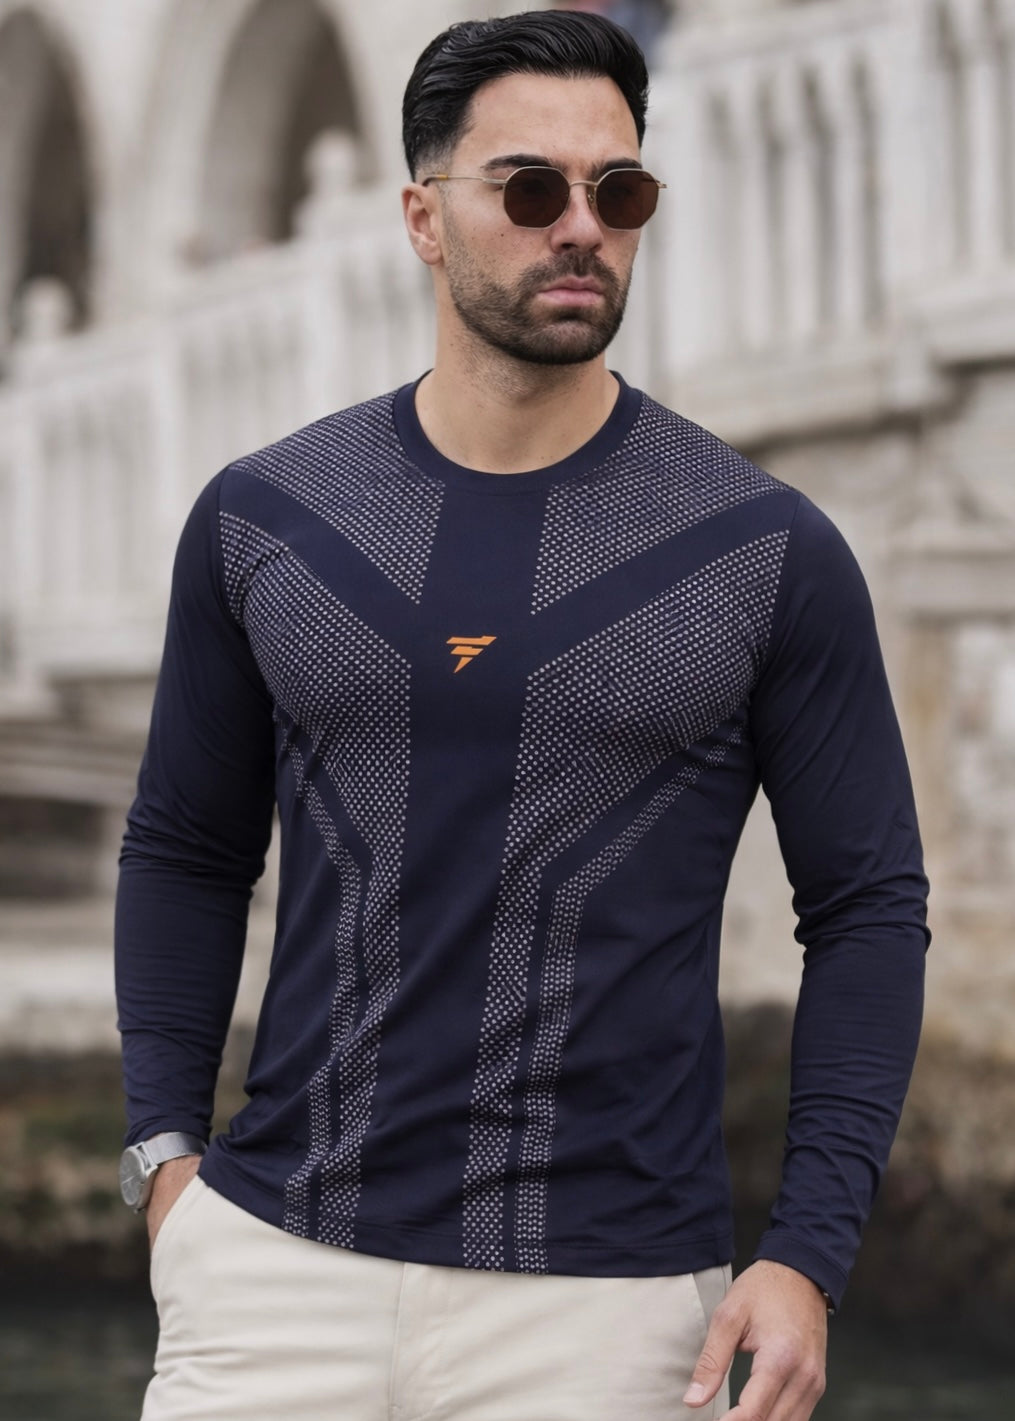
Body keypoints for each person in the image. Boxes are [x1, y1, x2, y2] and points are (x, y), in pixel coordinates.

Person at [115, 10, 929, 1420]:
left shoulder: (767, 552)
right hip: (267, 1278)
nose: (583, 228)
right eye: (532, 188)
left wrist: (808, 1251)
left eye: (620, 190)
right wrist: (163, 1165)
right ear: (424, 218)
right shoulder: (266, 518)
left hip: (606, 1316)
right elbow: (186, 848)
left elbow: (867, 906)